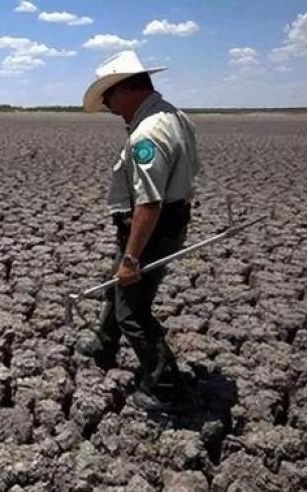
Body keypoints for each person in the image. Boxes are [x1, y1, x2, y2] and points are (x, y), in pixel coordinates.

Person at [77, 50, 201, 412]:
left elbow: (149, 203)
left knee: (132, 309)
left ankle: (165, 384)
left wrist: (132, 257)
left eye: (110, 96)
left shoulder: (148, 134)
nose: (110, 106)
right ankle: (104, 343)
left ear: (128, 89)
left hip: (151, 230)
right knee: (117, 283)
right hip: (163, 224)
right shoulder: (175, 116)